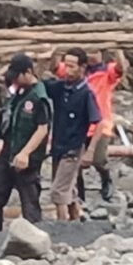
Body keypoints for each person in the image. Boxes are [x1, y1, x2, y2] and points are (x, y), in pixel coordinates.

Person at [0, 54, 51, 234]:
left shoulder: (39, 97)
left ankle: (35, 240)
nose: (13, 79)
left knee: (30, 205)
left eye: (17, 75)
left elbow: (42, 129)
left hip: (26, 161)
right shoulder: (16, 90)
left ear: (28, 72)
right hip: (7, 155)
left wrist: (26, 153)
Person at [56, 49, 127, 202]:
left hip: (101, 122)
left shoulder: (107, 71)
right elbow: (56, 68)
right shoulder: (78, 71)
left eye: (95, 51)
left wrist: (118, 50)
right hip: (79, 124)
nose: (92, 55)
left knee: (98, 159)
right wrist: (55, 51)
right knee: (75, 163)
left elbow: (121, 69)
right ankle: (79, 195)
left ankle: (106, 178)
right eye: (90, 51)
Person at [46, 49, 102, 220]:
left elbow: (98, 122)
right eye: (66, 66)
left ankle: (62, 226)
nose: (68, 70)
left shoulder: (86, 93)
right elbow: (40, 82)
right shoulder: (61, 88)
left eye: (72, 66)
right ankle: (76, 218)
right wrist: (48, 58)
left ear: (82, 67)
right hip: (58, 145)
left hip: (73, 147)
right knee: (68, 187)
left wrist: (90, 151)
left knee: (59, 191)